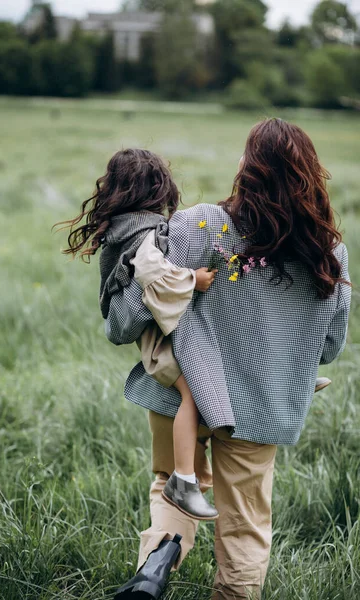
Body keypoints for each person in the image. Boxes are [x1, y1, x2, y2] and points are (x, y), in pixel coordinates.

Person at [105, 119, 352, 600]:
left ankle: (156, 567)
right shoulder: (330, 253)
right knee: (246, 524)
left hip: (186, 393)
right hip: (262, 409)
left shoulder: (200, 224)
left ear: (248, 168)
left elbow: (132, 316)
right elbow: (328, 348)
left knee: (175, 484)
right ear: (311, 175)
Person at [59, 148, 221, 520]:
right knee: (193, 395)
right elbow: (154, 278)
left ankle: (287, 380)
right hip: (158, 347)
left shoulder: (124, 228)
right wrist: (192, 279)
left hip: (160, 338)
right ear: (157, 190)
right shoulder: (145, 235)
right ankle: (183, 480)